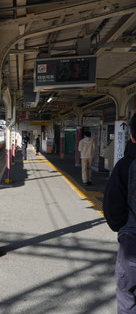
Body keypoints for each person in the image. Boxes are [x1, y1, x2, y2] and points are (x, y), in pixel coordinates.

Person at [103, 114, 136, 314]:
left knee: (128, 297)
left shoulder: (125, 166)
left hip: (132, 240)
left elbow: (112, 207)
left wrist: (121, 226)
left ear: (132, 136)